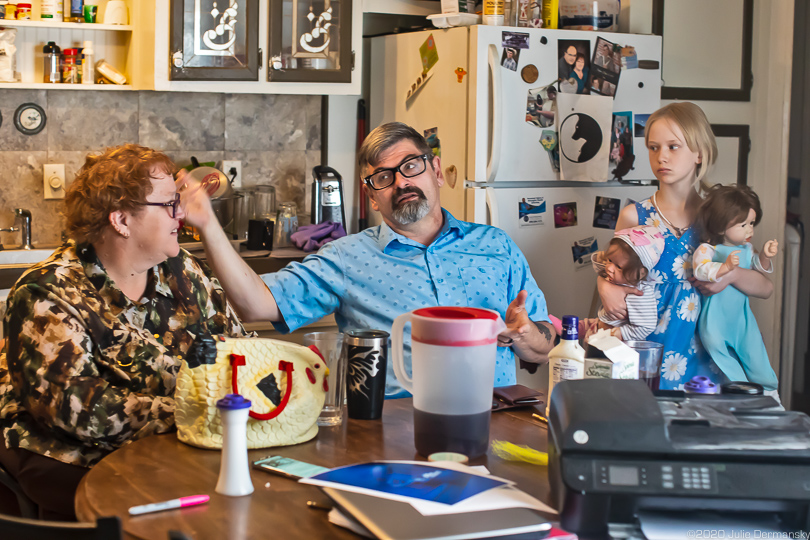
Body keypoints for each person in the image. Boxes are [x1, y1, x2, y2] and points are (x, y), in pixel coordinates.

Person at [181, 122, 557, 398]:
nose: (401, 183)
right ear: (372, 198)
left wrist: (525, 333)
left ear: (437, 171)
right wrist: (207, 223)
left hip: (498, 418)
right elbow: (253, 304)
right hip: (397, 428)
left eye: (411, 166)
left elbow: (544, 348)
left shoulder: (495, 246)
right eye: (383, 178)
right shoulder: (347, 258)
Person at [0, 144, 247, 520]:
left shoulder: (182, 270)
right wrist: (201, 410)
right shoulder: (46, 293)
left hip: (176, 443)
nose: (180, 213)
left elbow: (240, 350)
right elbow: (81, 410)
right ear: (121, 220)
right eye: (167, 204)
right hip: (69, 457)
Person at [598, 102, 773, 390]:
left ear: (699, 153)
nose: (661, 157)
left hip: (707, 359)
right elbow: (614, 273)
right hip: (647, 356)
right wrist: (604, 286)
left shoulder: (718, 218)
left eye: (673, 147)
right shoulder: (634, 216)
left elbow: (765, 288)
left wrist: (729, 275)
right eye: (653, 148)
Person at [693, 184, 779, 392]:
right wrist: (724, 268)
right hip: (714, 320)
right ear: (721, 227)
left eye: (751, 223)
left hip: (742, 318)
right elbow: (700, 269)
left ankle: (768, 389)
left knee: (755, 354)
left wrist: (765, 256)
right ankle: (744, 388)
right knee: (720, 353)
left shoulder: (747, 249)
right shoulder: (709, 249)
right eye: (743, 225)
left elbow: (760, 271)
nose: (750, 230)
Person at [581, 226, 665, 341]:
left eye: (619, 266)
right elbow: (600, 269)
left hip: (617, 345)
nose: (609, 268)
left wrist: (619, 333)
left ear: (640, 273)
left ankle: (578, 328)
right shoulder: (616, 276)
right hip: (600, 330)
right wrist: (601, 258)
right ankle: (572, 328)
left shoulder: (640, 293)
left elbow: (646, 327)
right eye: (609, 260)